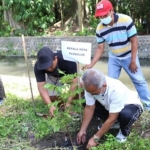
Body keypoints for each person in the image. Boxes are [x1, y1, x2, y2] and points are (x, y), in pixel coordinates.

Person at [84, 0, 150, 110]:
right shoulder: (100, 28)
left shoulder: (126, 20)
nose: (103, 18)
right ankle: (112, 106)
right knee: (109, 82)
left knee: (139, 80)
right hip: (114, 57)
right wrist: (91, 64)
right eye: (100, 16)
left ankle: (148, 104)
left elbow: (134, 41)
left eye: (105, 15)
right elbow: (100, 48)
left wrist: (133, 61)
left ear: (112, 11)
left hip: (129, 55)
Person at [77, 68, 143, 149]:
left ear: (104, 85)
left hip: (131, 106)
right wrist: (82, 130)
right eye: (90, 92)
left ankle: (123, 132)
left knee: (125, 116)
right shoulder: (90, 85)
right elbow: (89, 107)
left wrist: (95, 138)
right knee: (85, 102)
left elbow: (112, 117)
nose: (92, 94)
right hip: (110, 107)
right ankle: (115, 123)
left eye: (94, 93)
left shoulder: (116, 89)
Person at [34, 46, 78, 117]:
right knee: (50, 97)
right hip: (53, 77)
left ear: (55, 58)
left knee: (81, 87)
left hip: (68, 76)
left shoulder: (68, 60)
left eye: (51, 66)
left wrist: (69, 102)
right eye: (46, 67)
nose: (49, 69)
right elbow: (41, 86)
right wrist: (50, 105)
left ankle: (68, 104)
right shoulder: (38, 66)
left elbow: (74, 82)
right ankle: (61, 105)